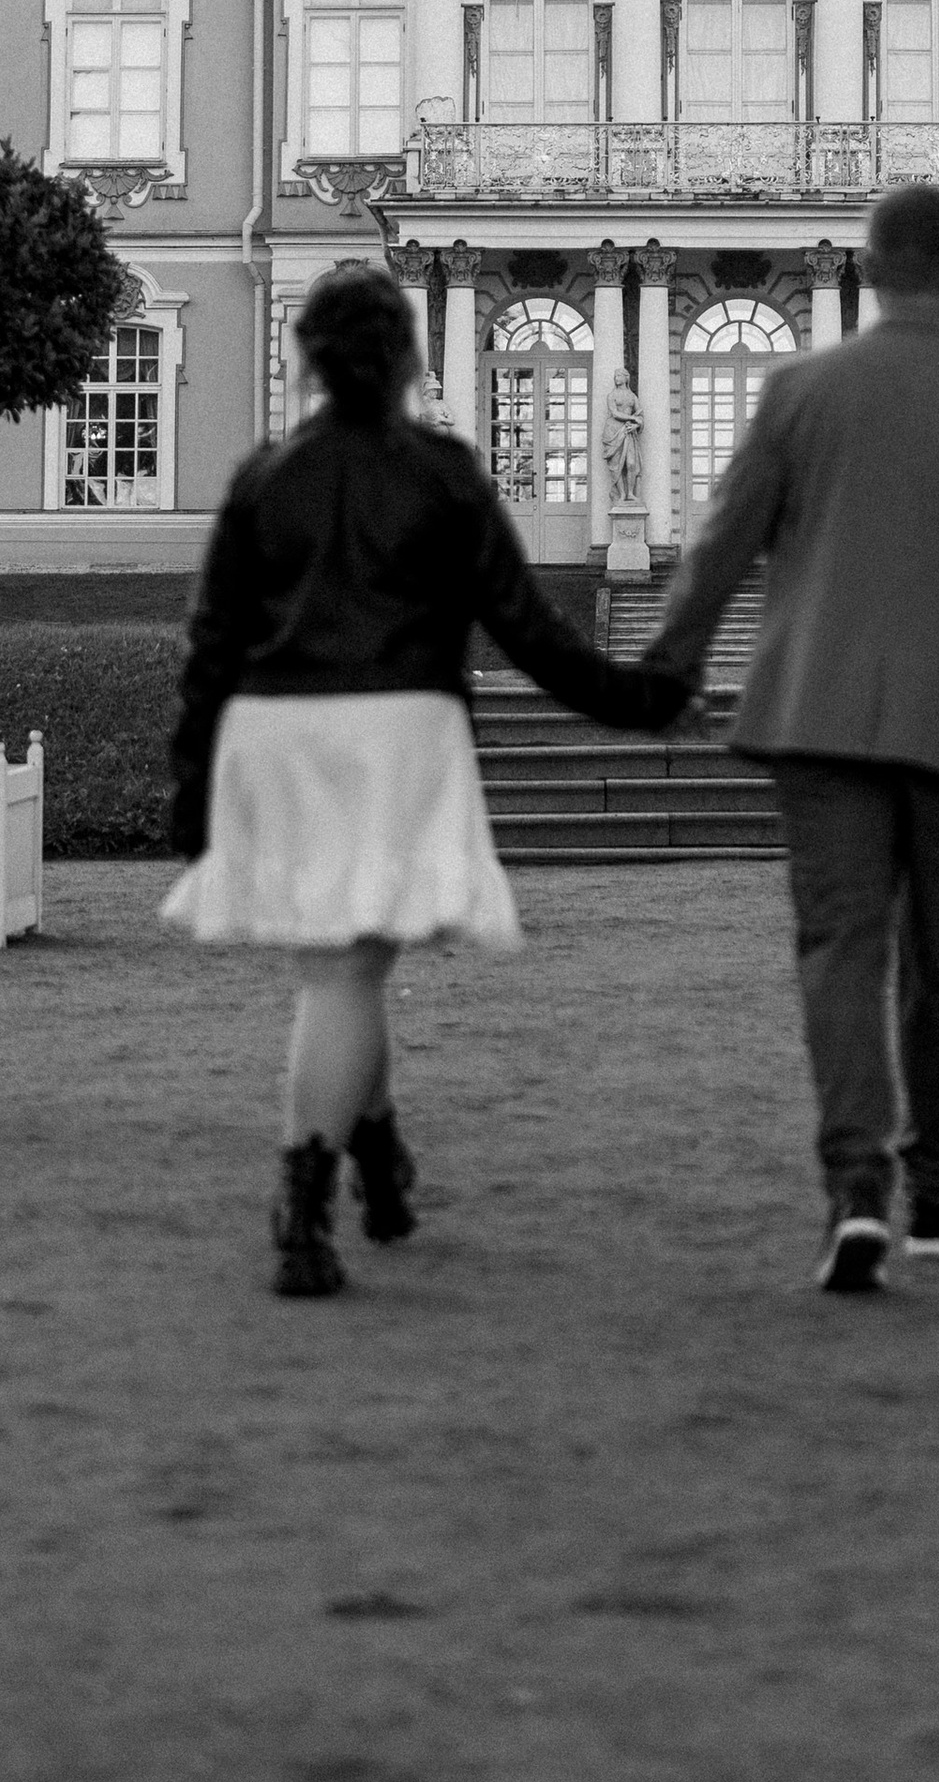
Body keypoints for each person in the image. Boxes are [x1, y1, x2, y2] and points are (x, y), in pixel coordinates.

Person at [163, 262, 691, 1298]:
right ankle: (304, 1212)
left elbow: (211, 647)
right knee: (349, 970)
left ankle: (376, 1156)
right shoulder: (444, 472)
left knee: (351, 965)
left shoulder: (263, 477)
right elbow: (528, 630)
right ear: (407, 358)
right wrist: (644, 699)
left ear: (303, 360)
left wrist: (191, 790)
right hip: (396, 730)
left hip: (275, 734)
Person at [642, 184, 939, 1295]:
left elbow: (722, 542)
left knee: (840, 953)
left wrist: (673, 662)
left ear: (871, 263)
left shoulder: (802, 389)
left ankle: (854, 1193)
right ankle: (938, 1190)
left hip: (820, 718)